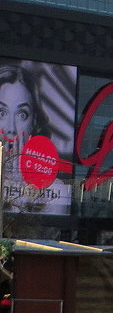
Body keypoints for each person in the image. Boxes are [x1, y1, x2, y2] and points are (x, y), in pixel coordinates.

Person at [0, 64, 71, 216]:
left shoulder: (56, 190)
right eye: (2, 113)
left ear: (34, 122)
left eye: (22, 114)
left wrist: (17, 187)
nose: (11, 128)